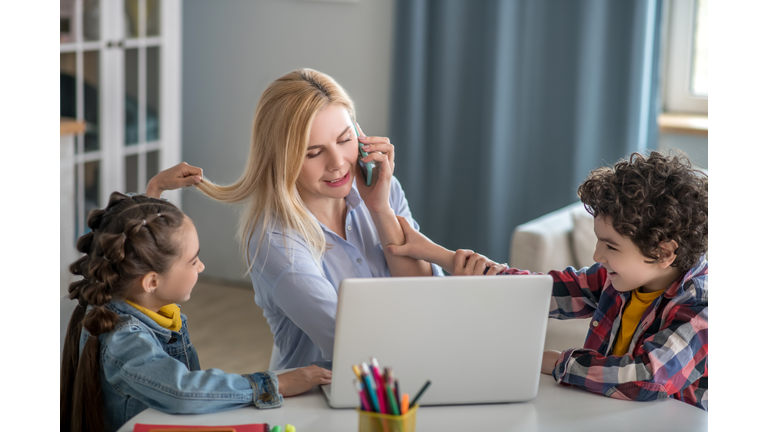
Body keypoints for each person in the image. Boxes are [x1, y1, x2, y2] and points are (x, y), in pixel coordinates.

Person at [146, 68, 499, 370]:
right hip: (325, 401)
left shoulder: (382, 190)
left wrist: (381, 211)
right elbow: (351, 343)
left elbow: (422, 296)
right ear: (282, 159)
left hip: (413, 368)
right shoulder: (275, 241)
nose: (338, 163)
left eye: (345, 140)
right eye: (313, 153)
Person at [386, 151, 709, 410]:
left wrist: (550, 360)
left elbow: (644, 377)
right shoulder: (621, 279)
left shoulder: (701, 308)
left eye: (611, 246)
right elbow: (537, 292)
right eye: (598, 240)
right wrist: (432, 252)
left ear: (664, 252)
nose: (597, 255)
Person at [60, 192, 332, 432]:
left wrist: (153, 195)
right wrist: (274, 384)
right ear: (152, 282)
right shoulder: (125, 339)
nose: (201, 267)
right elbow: (182, 391)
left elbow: (130, 237)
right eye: (193, 261)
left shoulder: (135, 300)